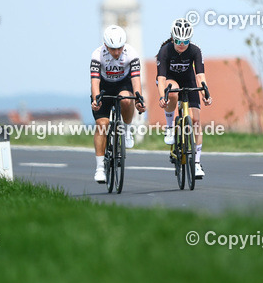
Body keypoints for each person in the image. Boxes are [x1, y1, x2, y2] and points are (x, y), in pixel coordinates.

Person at [155, 17, 212, 179]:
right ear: (173, 38)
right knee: (172, 92)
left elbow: (200, 76)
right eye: (178, 40)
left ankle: (197, 163)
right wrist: (162, 96)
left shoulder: (195, 50)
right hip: (169, 80)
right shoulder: (165, 51)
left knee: (195, 121)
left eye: (185, 41)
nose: (182, 44)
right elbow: (161, 79)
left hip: (188, 81)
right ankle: (170, 127)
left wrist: (205, 94)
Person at [90, 25, 145, 183]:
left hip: (123, 84)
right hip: (104, 86)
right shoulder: (97, 54)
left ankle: (126, 130)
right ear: (105, 45)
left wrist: (139, 100)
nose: (116, 52)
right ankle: (100, 168)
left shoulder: (131, 53)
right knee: (102, 124)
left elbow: (136, 80)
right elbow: (95, 81)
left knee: (126, 100)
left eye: (120, 48)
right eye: (113, 49)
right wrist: (96, 100)